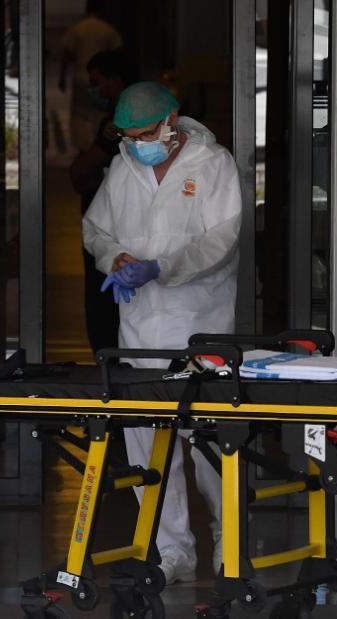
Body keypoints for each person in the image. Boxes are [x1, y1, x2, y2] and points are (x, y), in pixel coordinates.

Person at [82, 81, 241, 584]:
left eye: (145, 134)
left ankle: (228, 543)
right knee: (147, 444)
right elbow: (96, 230)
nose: (136, 144)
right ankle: (171, 550)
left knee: (211, 442)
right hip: (140, 330)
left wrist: (163, 266)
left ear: (172, 121)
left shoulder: (213, 165)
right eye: (126, 136)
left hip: (202, 325)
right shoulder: (123, 167)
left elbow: (223, 239)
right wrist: (117, 258)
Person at [69, 50, 131, 353]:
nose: (98, 91)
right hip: (108, 225)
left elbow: (88, 165)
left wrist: (76, 170)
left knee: (103, 297)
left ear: (116, 80)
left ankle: (107, 354)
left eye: (99, 82)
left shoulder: (120, 120)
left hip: (114, 224)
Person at [59, 0, 123, 152]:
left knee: (79, 114)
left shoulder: (77, 29)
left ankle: (82, 147)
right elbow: (118, 53)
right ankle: (97, 144)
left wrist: (62, 77)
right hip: (102, 80)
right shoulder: (107, 30)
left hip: (81, 78)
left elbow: (67, 55)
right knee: (99, 113)